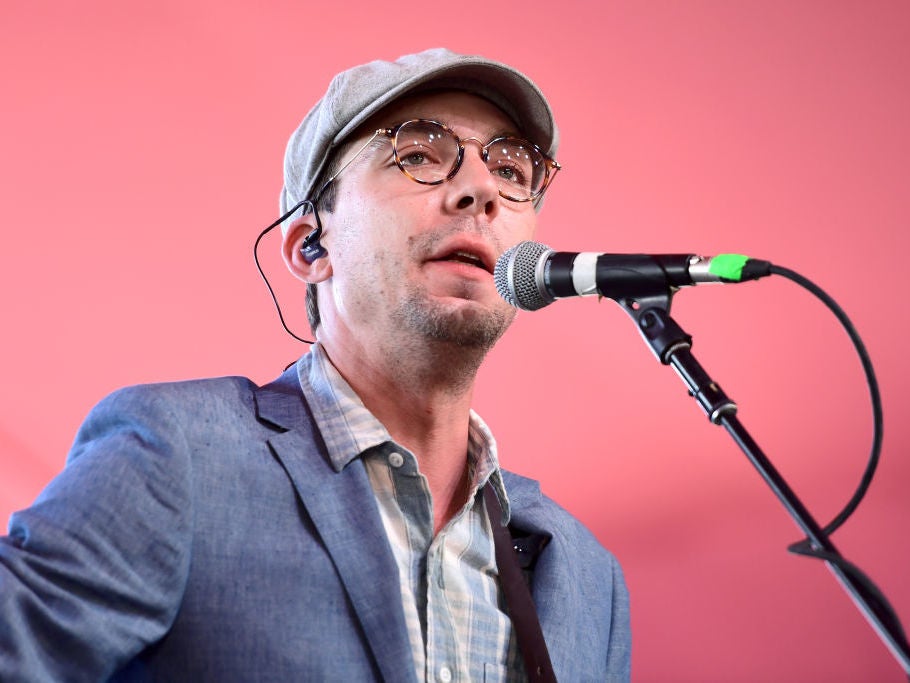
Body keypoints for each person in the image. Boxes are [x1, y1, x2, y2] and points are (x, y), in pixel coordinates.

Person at [0, 48, 630, 681]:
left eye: (512, 169)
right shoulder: (177, 456)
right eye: (417, 155)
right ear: (310, 246)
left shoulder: (588, 575)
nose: (480, 191)